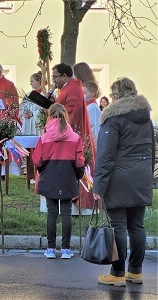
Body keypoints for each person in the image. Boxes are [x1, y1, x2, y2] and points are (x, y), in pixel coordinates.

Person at [93, 77, 154, 287]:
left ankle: (117, 273)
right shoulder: (146, 118)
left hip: (119, 179)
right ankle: (135, 272)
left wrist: (98, 186)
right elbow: (151, 151)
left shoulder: (113, 120)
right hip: (141, 177)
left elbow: (105, 156)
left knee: (117, 226)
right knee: (137, 226)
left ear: (116, 96)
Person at [32, 103, 85, 259]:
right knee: (67, 213)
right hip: (68, 176)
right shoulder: (75, 137)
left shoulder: (44, 137)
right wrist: (79, 174)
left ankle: (50, 248)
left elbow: (37, 160)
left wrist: (43, 171)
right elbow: (80, 160)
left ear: (50, 116)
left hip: (50, 176)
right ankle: (66, 249)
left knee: (52, 213)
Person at [52, 63, 95, 209]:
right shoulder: (67, 88)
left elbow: (71, 114)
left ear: (64, 76)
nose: (54, 81)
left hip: (72, 137)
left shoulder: (73, 89)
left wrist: (53, 114)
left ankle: (79, 201)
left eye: (55, 77)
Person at [19, 71, 43, 136]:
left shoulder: (45, 94)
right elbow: (21, 107)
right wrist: (24, 113)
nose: (30, 83)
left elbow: (46, 110)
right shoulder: (28, 95)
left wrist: (32, 113)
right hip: (28, 123)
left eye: (32, 81)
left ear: (39, 81)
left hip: (39, 124)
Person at [82, 81, 101, 147]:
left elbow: (94, 127)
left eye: (84, 93)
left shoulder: (93, 107)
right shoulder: (88, 106)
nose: (82, 95)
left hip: (92, 143)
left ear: (92, 94)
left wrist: (93, 145)